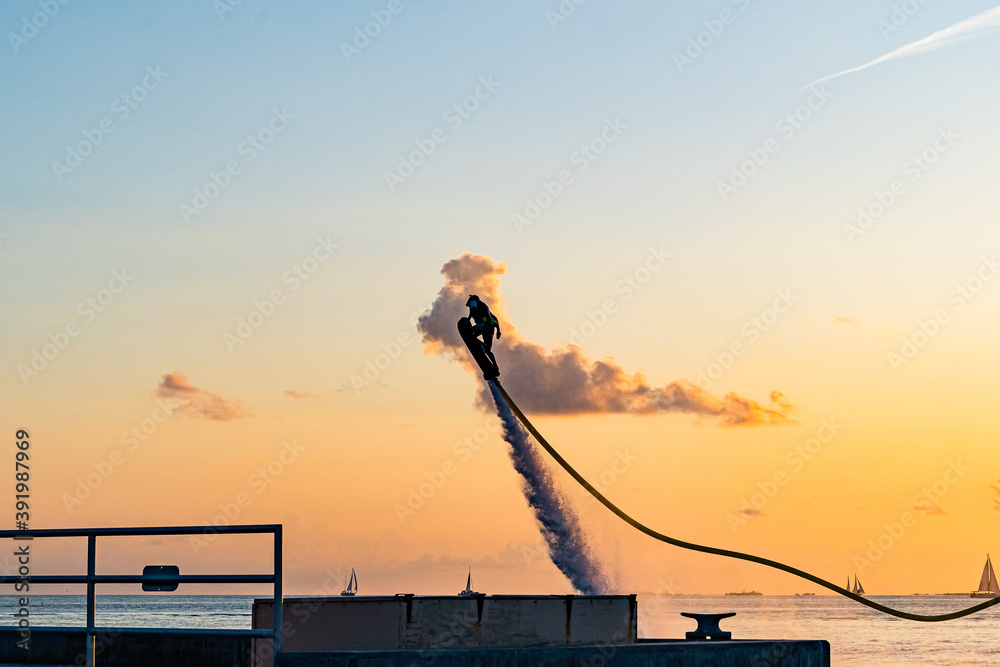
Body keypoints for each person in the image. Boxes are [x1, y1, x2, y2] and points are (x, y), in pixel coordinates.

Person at [466, 294, 501, 376]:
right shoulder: (485, 306)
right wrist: (498, 331)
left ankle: (481, 345)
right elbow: (495, 318)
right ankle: (496, 366)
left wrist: (468, 319)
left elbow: (473, 309)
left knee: (470, 333)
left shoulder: (473, 301)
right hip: (490, 329)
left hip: (483, 325)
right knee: (488, 350)